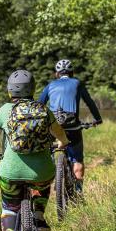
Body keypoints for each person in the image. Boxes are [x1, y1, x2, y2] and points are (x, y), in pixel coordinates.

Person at [0, 70, 70, 231]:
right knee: (42, 185)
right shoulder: (43, 109)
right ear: (33, 89)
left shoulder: (4, 110)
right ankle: (39, 215)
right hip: (41, 172)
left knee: (9, 205)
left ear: (10, 91)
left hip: (11, 172)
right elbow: (59, 131)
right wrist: (63, 143)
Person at [38, 59, 103, 194]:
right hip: (72, 127)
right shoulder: (77, 83)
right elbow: (90, 102)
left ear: (57, 74)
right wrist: (97, 119)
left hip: (53, 127)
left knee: (47, 151)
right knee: (77, 160)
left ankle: (47, 176)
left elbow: (39, 105)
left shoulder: (50, 85)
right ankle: (78, 193)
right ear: (72, 72)